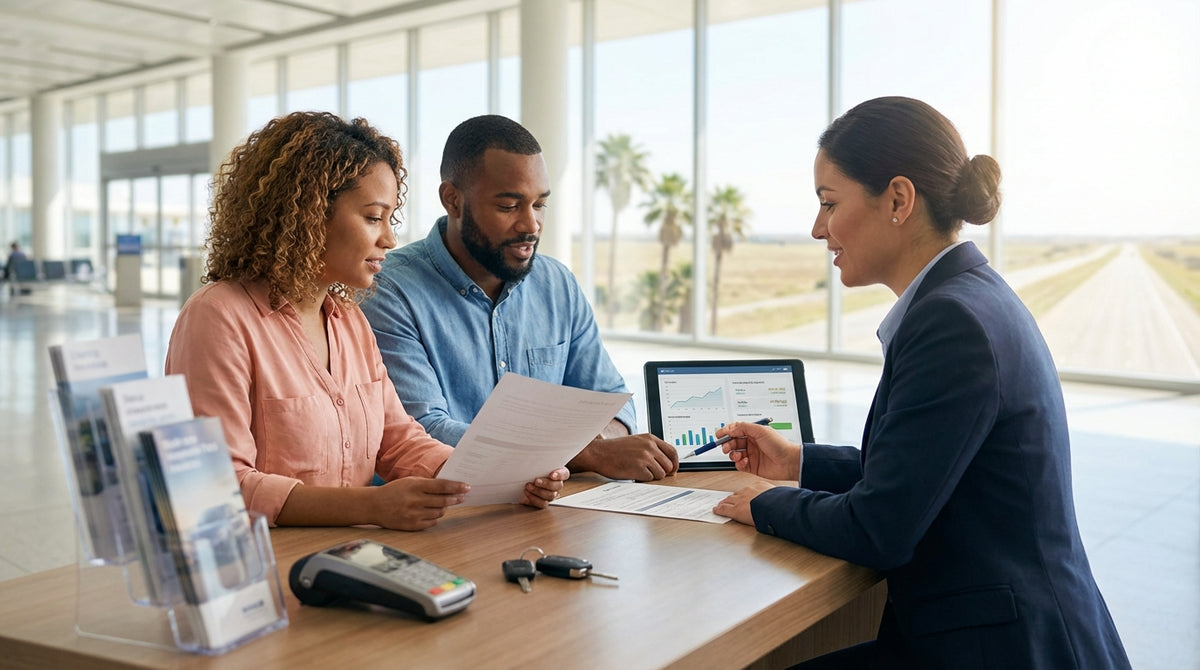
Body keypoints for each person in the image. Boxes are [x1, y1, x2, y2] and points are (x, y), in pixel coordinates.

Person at [711, 97, 1130, 670]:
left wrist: (770, 504)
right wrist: (799, 464)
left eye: (828, 204)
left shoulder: (951, 322)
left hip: (1004, 649)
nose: (817, 229)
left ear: (899, 200)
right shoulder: (969, 296)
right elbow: (921, 473)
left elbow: (879, 529)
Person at [165, 111, 566, 530]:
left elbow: (397, 440)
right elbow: (216, 486)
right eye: (374, 217)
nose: (390, 240)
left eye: (390, 219)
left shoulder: (349, 321)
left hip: (352, 559)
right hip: (269, 571)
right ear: (308, 214)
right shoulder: (218, 317)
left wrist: (504, 477)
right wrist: (371, 507)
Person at [360, 115, 678, 481]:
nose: (531, 225)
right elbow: (422, 433)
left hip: (550, 506)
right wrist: (586, 453)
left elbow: (612, 401)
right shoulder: (387, 289)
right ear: (453, 200)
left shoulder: (556, 283)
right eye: (509, 206)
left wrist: (601, 446)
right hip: (440, 516)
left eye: (539, 204)